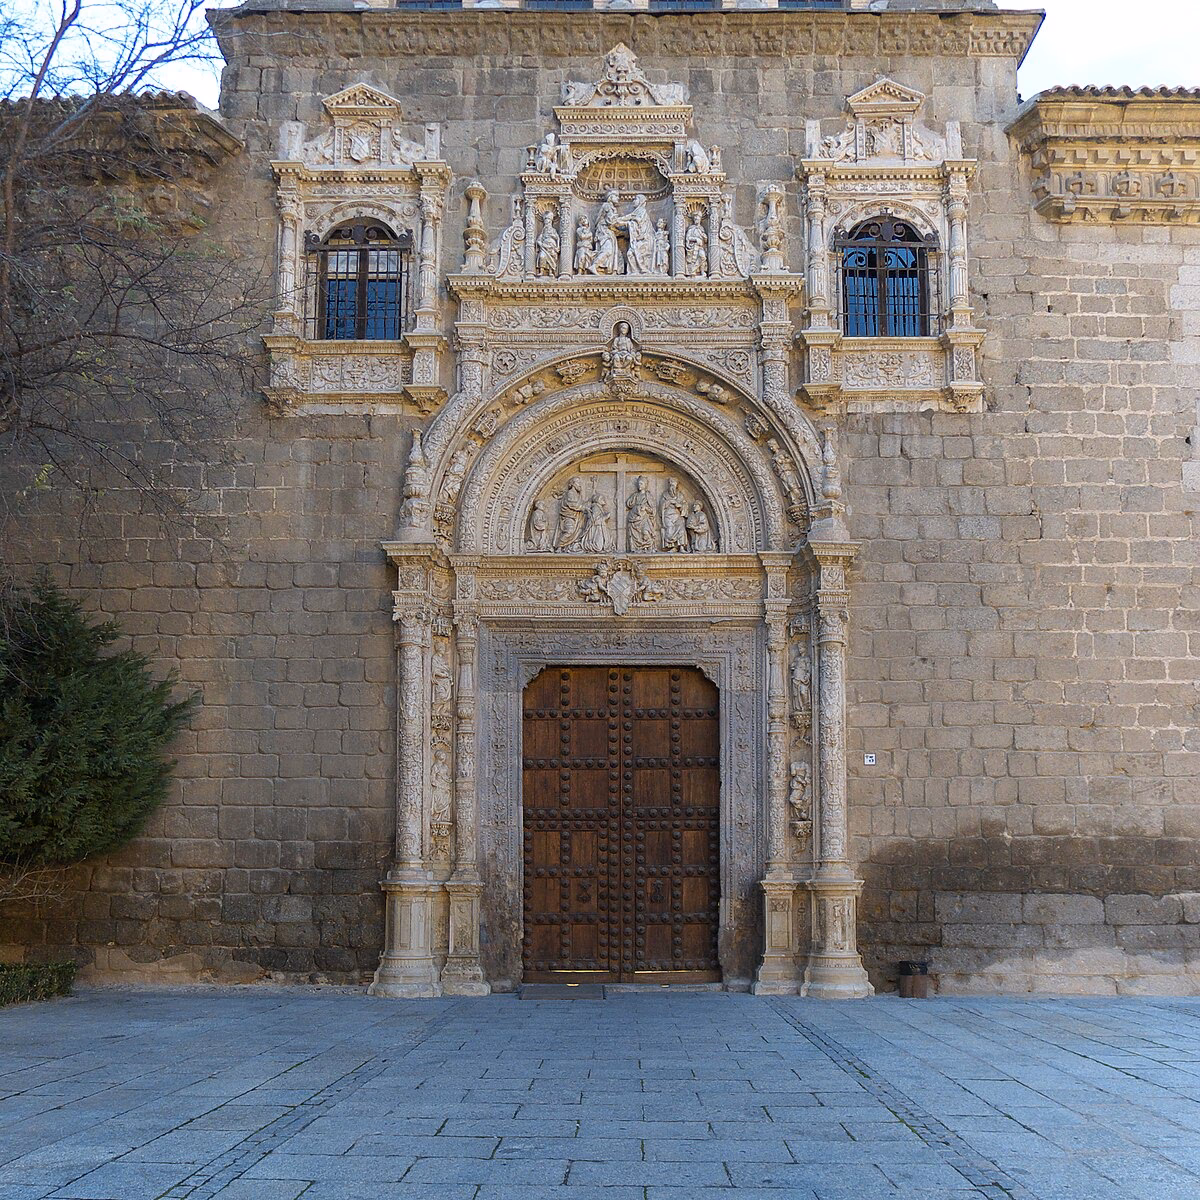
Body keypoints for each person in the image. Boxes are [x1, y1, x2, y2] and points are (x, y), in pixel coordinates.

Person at [617, 194, 655, 275]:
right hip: (637, 239)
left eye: (636, 199)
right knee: (630, 254)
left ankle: (643, 270)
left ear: (641, 201)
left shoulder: (642, 211)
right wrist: (619, 221)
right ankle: (635, 271)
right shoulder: (636, 212)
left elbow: (637, 220)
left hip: (644, 239)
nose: (634, 201)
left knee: (632, 253)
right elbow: (629, 217)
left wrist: (623, 222)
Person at [592, 190, 622, 275]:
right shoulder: (607, 205)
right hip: (604, 231)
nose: (618, 198)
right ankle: (594, 265)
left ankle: (606, 269)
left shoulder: (612, 208)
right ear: (611, 197)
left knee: (611, 251)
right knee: (608, 250)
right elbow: (611, 221)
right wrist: (626, 221)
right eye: (616, 196)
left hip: (608, 232)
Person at [555, 476, 588, 550]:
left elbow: (581, 502)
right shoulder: (570, 493)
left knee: (579, 531)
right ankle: (559, 546)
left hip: (575, 517)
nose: (579, 484)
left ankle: (570, 546)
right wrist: (583, 508)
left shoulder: (577, 494)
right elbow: (572, 504)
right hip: (568, 516)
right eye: (578, 482)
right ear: (573, 484)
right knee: (569, 531)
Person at [626, 475, 657, 552]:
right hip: (634, 517)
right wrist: (636, 505)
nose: (639, 485)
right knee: (634, 534)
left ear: (645, 485)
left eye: (641, 483)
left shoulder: (648, 496)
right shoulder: (635, 495)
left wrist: (645, 508)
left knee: (646, 532)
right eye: (638, 483)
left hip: (644, 518)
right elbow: (629, 504)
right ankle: (636, 548)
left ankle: (649, 547)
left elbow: (653, 510)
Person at [660, 478, 689, 553]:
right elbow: (661, 506)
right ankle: (673, 547)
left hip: (677, 514)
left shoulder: (680, 495)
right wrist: (668, 502)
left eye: (674, 483)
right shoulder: (665, 495)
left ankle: (681, 546)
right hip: (668, 515)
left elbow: (684, 505)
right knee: (670, 528)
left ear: (676, 485)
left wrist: (679, 505)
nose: (672, 485)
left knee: (681, 526)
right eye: (671, 483)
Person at [684, 209, 708, 278]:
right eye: (695, 218)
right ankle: (693, 272)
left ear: (700, 219)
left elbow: (705, 242)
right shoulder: (691, 228)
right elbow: (688, 238)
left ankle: (701, 271)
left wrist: (705, 238)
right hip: (693, 247)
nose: (696, 219)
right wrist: (695, 239)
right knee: (693, 259)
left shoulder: (701, 228)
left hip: (700, 247)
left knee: (703, 257)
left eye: (698, 218)